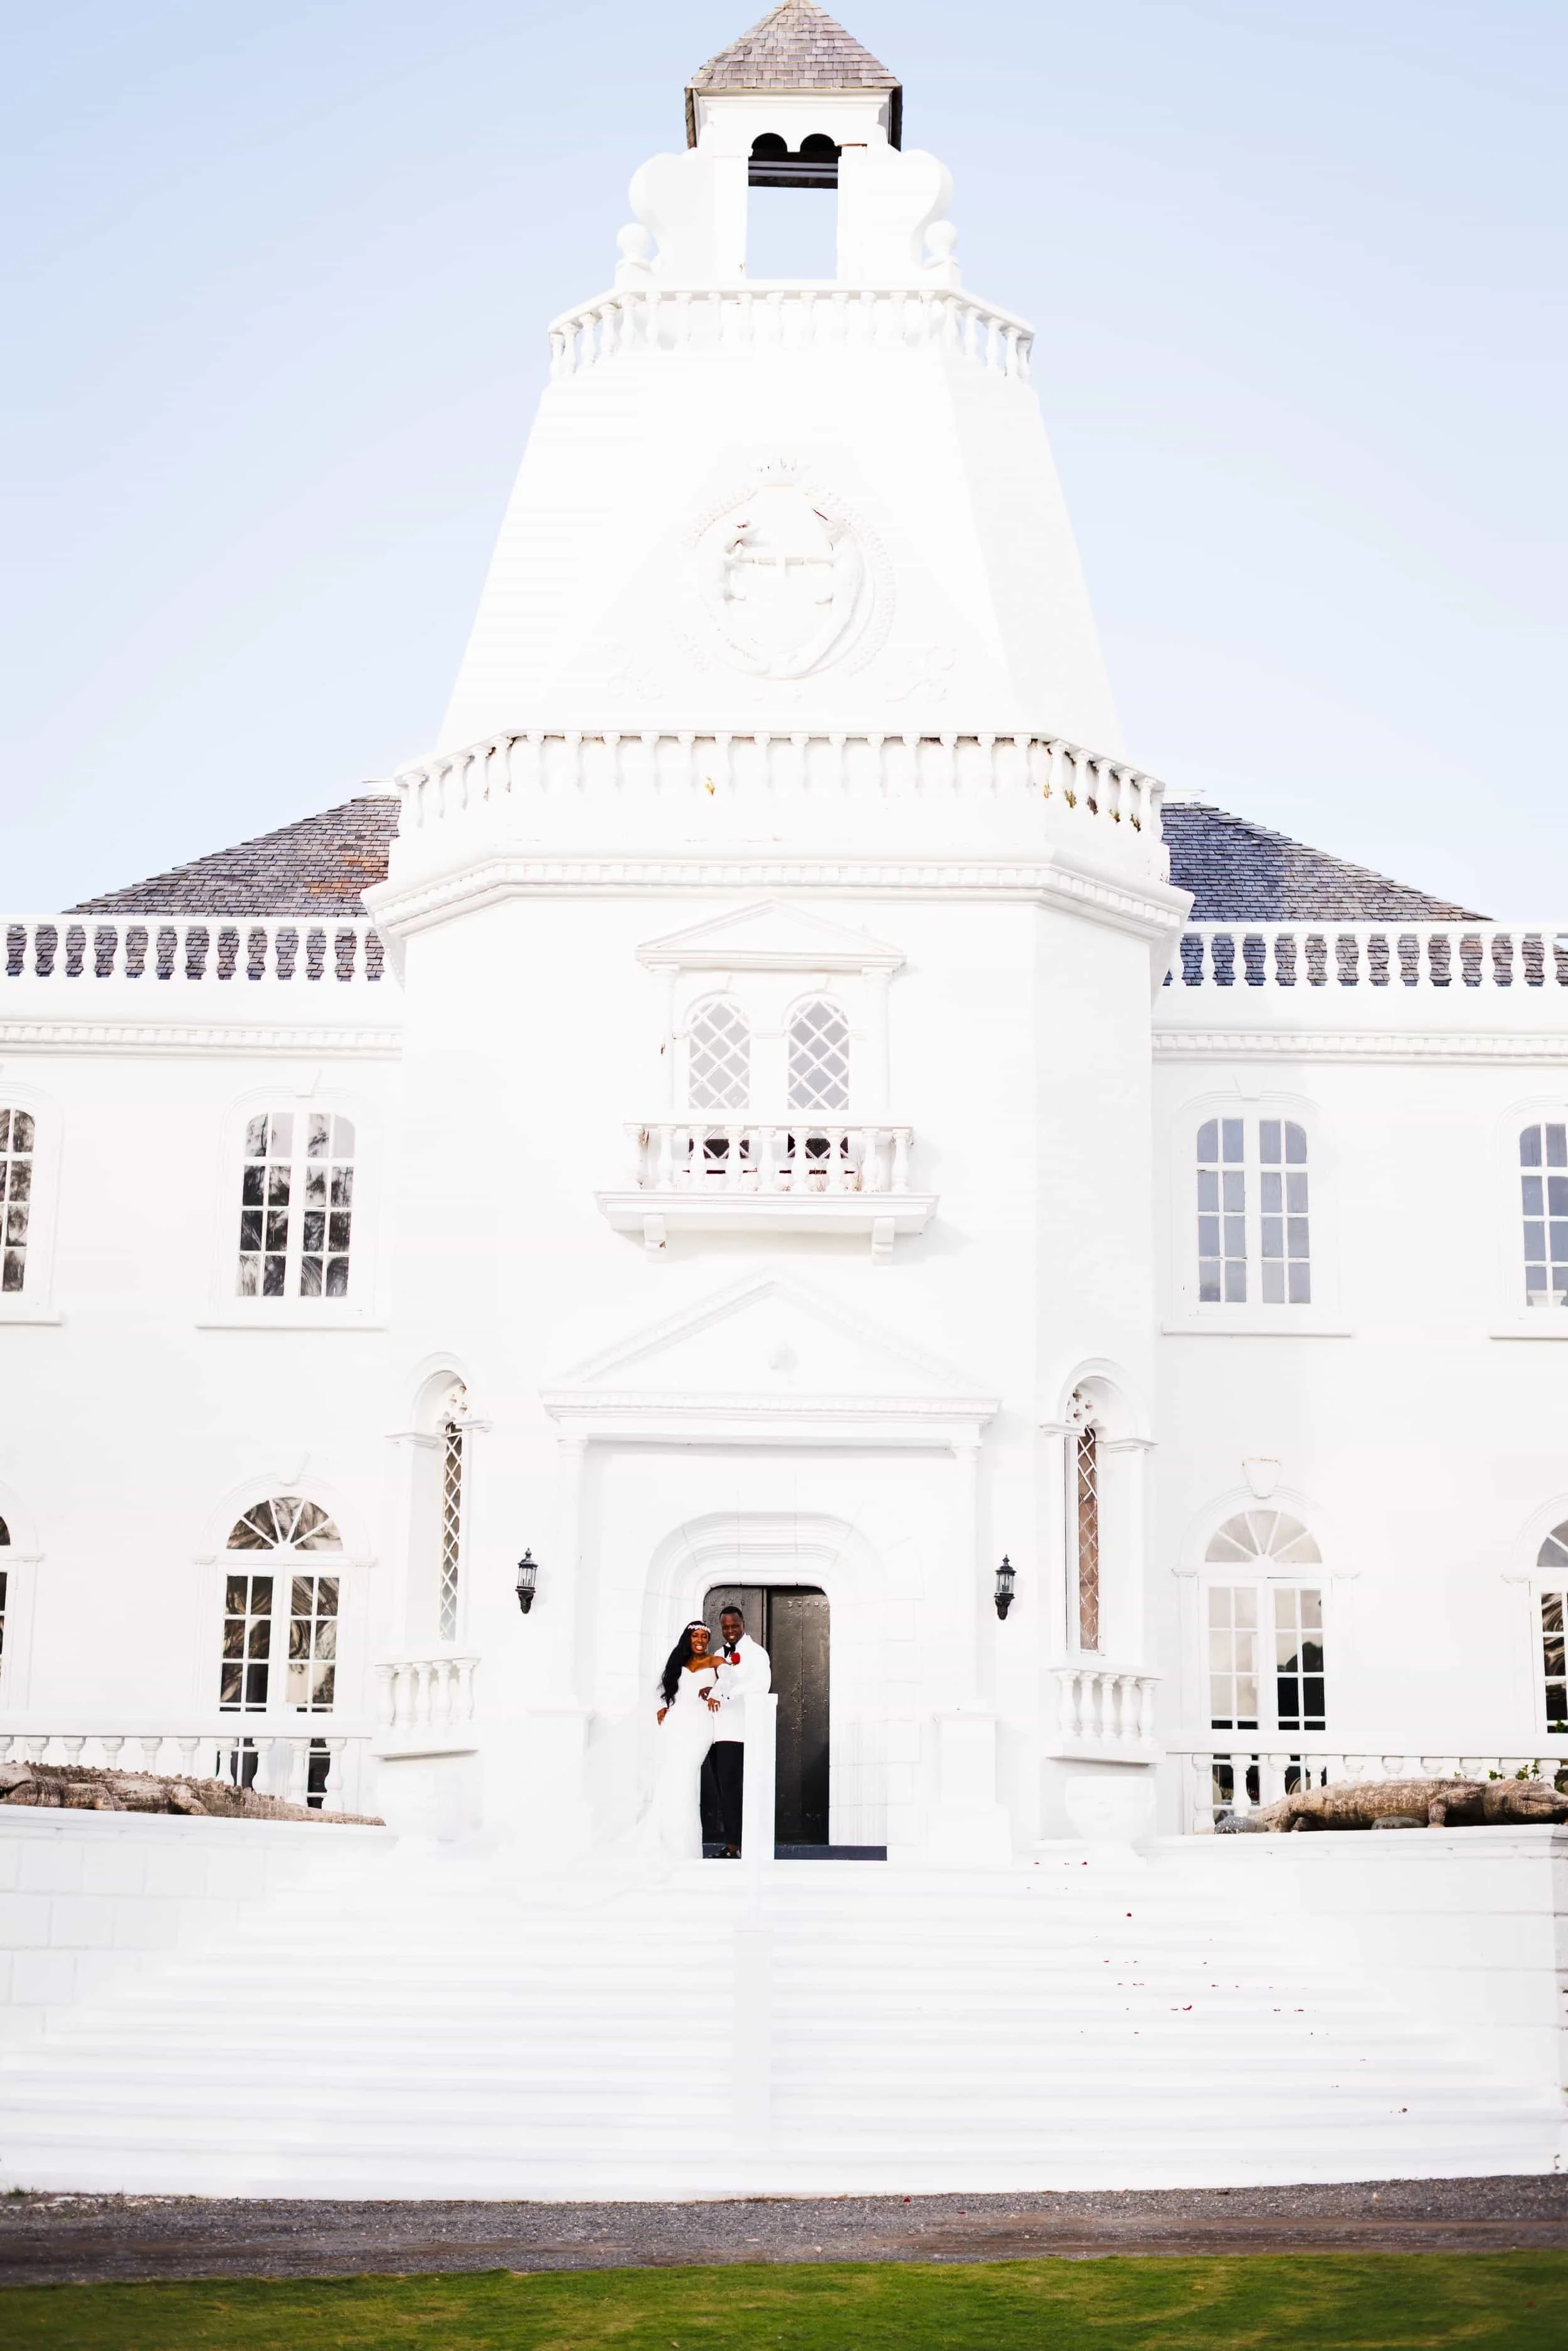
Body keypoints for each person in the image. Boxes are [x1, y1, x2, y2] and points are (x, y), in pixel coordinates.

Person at [638, 1620, 723, 1864]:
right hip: (675, 1725)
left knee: (685, 1775)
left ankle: (685, 1847)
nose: (700, 1641)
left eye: (704, 1637)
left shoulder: (716, 1662)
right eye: (696, 1636)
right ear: (689, 1639)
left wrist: (715, 1691)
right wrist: (663, 1708)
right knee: (670, 1777)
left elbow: (729, 1681)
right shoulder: (679, 1664)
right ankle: (666, 1842)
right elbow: (662, 1690)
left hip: (701, 1726)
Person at [702, 1604, 772, 1859]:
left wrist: (728, 1692)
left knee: (738, 1790)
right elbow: (715, 1683)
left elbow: (761, 1684)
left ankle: (739, 1845)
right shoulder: (719, 1653)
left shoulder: (756, 1653)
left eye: (735, 1626)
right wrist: (709, 1690)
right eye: (726, 1627)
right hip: (718, 1731)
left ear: (743, 1625)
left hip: (741, 1732)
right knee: (724, 1790)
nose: (730, 1631)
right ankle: (732, 1843)